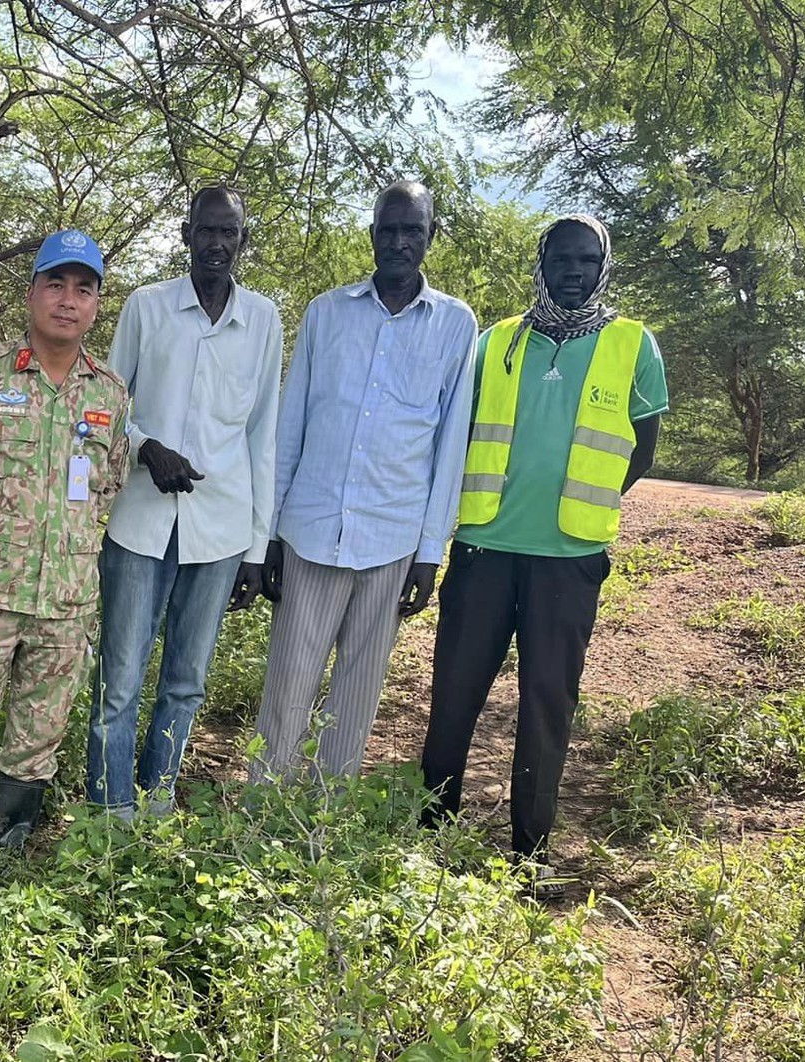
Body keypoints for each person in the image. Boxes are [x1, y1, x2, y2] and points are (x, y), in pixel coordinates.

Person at [419, 214, 667, 883]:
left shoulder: (633, 344)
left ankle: (529, 852)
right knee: (454, 694)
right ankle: (430, 829)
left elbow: (641, 450)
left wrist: (586, 499)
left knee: (546, 703)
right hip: (483, 549)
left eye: (586, 261)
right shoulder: (496, 340)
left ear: (602, 266)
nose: (573, 271)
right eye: (561, 258)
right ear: (542, 261)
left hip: (568, 558)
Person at [249, 182, 478, 785]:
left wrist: (431, 553)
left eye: (414, 231)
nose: (401, 242)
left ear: (431, 238)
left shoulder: (456, 325)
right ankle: (259, 816)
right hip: (312, 530)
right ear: (372, 233)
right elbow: (290, 424)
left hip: (393, 538)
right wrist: (269, 534)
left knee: (356, 697)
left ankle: (324, 827)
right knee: (288, 683)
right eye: (390, 229)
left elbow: (449, 445)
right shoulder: (327, 312)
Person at [0, 230, 130, 868]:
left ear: (96, 304)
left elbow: (109, 484)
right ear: (32, 292)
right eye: (56, 284)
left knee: (36, 741)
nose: (68, 300)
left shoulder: (111, 395)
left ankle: (5, 866)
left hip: (64, 603)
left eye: (83, 289)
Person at [88, 185, 285, 819]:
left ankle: (156, 802)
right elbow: (109, 407)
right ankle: (110, 809)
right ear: (186, 234)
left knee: (186, 682)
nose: (217, 244)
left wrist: (256, 548)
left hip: (220, 532)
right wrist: (147, 448)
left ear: (242, 242)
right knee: (120, 680)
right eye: (207, 230)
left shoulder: (264, 322)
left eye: (229, 233)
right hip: (140, 524)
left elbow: (262, 438)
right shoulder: (146, 309)